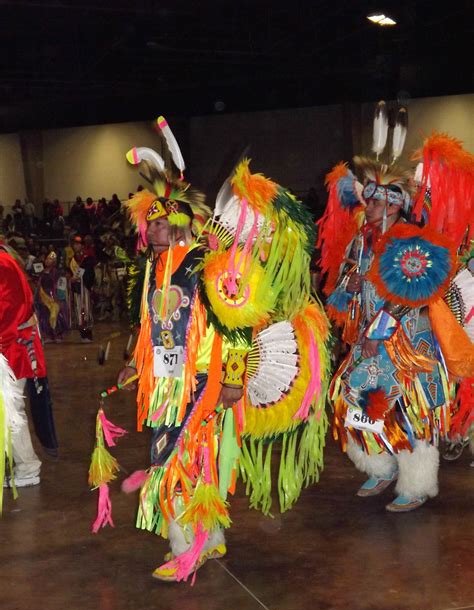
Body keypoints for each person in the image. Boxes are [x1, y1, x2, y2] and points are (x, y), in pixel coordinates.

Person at [90, 126, 330, 583]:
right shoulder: (152, 268)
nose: (152, 228)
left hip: (203, 381)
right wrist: (134, 363)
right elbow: (151, 327)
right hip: (164, 385)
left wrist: (234, 380)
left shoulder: (206, 264)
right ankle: (209, 536)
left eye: (160, 221)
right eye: (150, 222)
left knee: (180, 460)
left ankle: (188, 547)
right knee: (183, 458)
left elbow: (235, 323)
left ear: (180, 221)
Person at [319, 111, 474, 512]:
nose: (366, 207)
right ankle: (381, 464)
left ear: (392, 204)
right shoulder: (360, 243)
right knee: (350, 402)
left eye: (374, 201)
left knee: (409, 414)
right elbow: (343, 296)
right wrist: (347, 289)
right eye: (366, 200)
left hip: (408, 346)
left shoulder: (410, 241)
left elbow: (409, 297)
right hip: (368, 343)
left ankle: (416, 484)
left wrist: (377, 333)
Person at [0, 242, 44, 490]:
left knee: (10, 410)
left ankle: (28, 466)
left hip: (10, 352)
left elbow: (12, 314)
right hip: (11, 349)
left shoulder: (2, 264)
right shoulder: (5, 260)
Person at [35, 251, 69, 343]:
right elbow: (38, 285)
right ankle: (48, 335)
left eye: (51, 259)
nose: (48, 261)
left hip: (53, 296)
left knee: (55, 315)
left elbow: (61, 285)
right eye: (47, 259)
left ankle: (57, 335)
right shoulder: (41, 272)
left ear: (54, 262)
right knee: (44, 315)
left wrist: (60, 297)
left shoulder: (57, 273)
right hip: (43, 296)